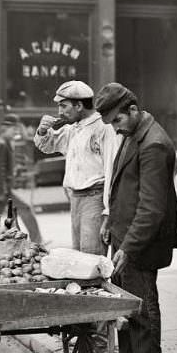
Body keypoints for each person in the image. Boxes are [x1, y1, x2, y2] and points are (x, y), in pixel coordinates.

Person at [95, 83, 177, 353]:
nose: (116, 130)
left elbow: (151, 208)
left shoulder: (153, 144)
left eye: (117, 121)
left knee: (142, 307)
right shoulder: (134, 134)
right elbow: (124, 186)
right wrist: (109, 220)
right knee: (124, 303)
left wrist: (129, 247)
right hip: (126, 235)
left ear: (132, 110)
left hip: (141, 243)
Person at [34, 80, 118, 255]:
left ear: (79, 105)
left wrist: (108, 212)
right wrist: (42, 131)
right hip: (76, 199)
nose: (60, 112)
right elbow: (48, 145)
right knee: (79, 256)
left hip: (94, 198)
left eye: (64, 106)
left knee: (91, 257)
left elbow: (112, 170)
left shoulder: (103, 128)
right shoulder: (73, 129)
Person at [0, 114, 43, 243]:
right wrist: (1, 191)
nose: (16, 132)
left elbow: (1, 168)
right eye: (13, 129)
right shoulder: (1, 144)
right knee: (24, 209)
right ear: (5, 129)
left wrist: (14, 171)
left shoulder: (5, 143)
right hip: (1, 189)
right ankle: (37, 241)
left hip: (0, 188)